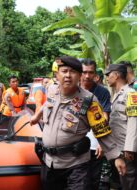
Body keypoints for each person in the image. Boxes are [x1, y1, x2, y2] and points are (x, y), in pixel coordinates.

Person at [30, 56, 126, 190]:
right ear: (57, 74)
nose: (68, 75)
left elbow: (102, 130)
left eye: (73, 72)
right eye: (64, 71)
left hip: (76, 166)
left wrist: (117, 157)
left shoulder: (89, 100)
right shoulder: (52, 90)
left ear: (79, 76)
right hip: (49, 163)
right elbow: (47, 104)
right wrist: (37, 116)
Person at [80, 58, 111, 190]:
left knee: (93, 180)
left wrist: (101, 142)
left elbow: (105, 116)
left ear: (95, 74)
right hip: (73, 143)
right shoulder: (71, 89)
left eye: (90, 72)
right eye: (84, 72)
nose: (87, 76)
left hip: (94, 143)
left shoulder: (102, 92)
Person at [105, 63, 137, 190]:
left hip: (127, 150)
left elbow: (133, 121)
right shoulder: (117, 94)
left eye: (108, 75)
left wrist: (129, 148)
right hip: (119, 148)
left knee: (129, 183)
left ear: (116, 75)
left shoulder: (131, 94)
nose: (107, 78)